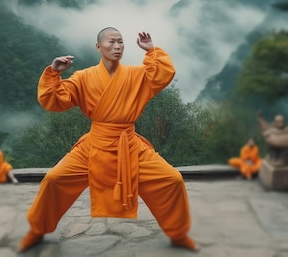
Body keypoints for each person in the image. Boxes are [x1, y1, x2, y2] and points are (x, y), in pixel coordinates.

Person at [18, 28, 198, 252]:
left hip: (129, 143)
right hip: (95, 144)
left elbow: (162, 74)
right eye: (111, 42)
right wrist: (54, 72)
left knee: (172, 180)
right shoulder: (83, 78)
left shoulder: (136, 75)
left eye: (121, 42)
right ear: (98, 47)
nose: (117, 46)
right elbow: (53, 100)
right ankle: (37, 230)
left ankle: (178, 233)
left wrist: (151, 50)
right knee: (54, 179)